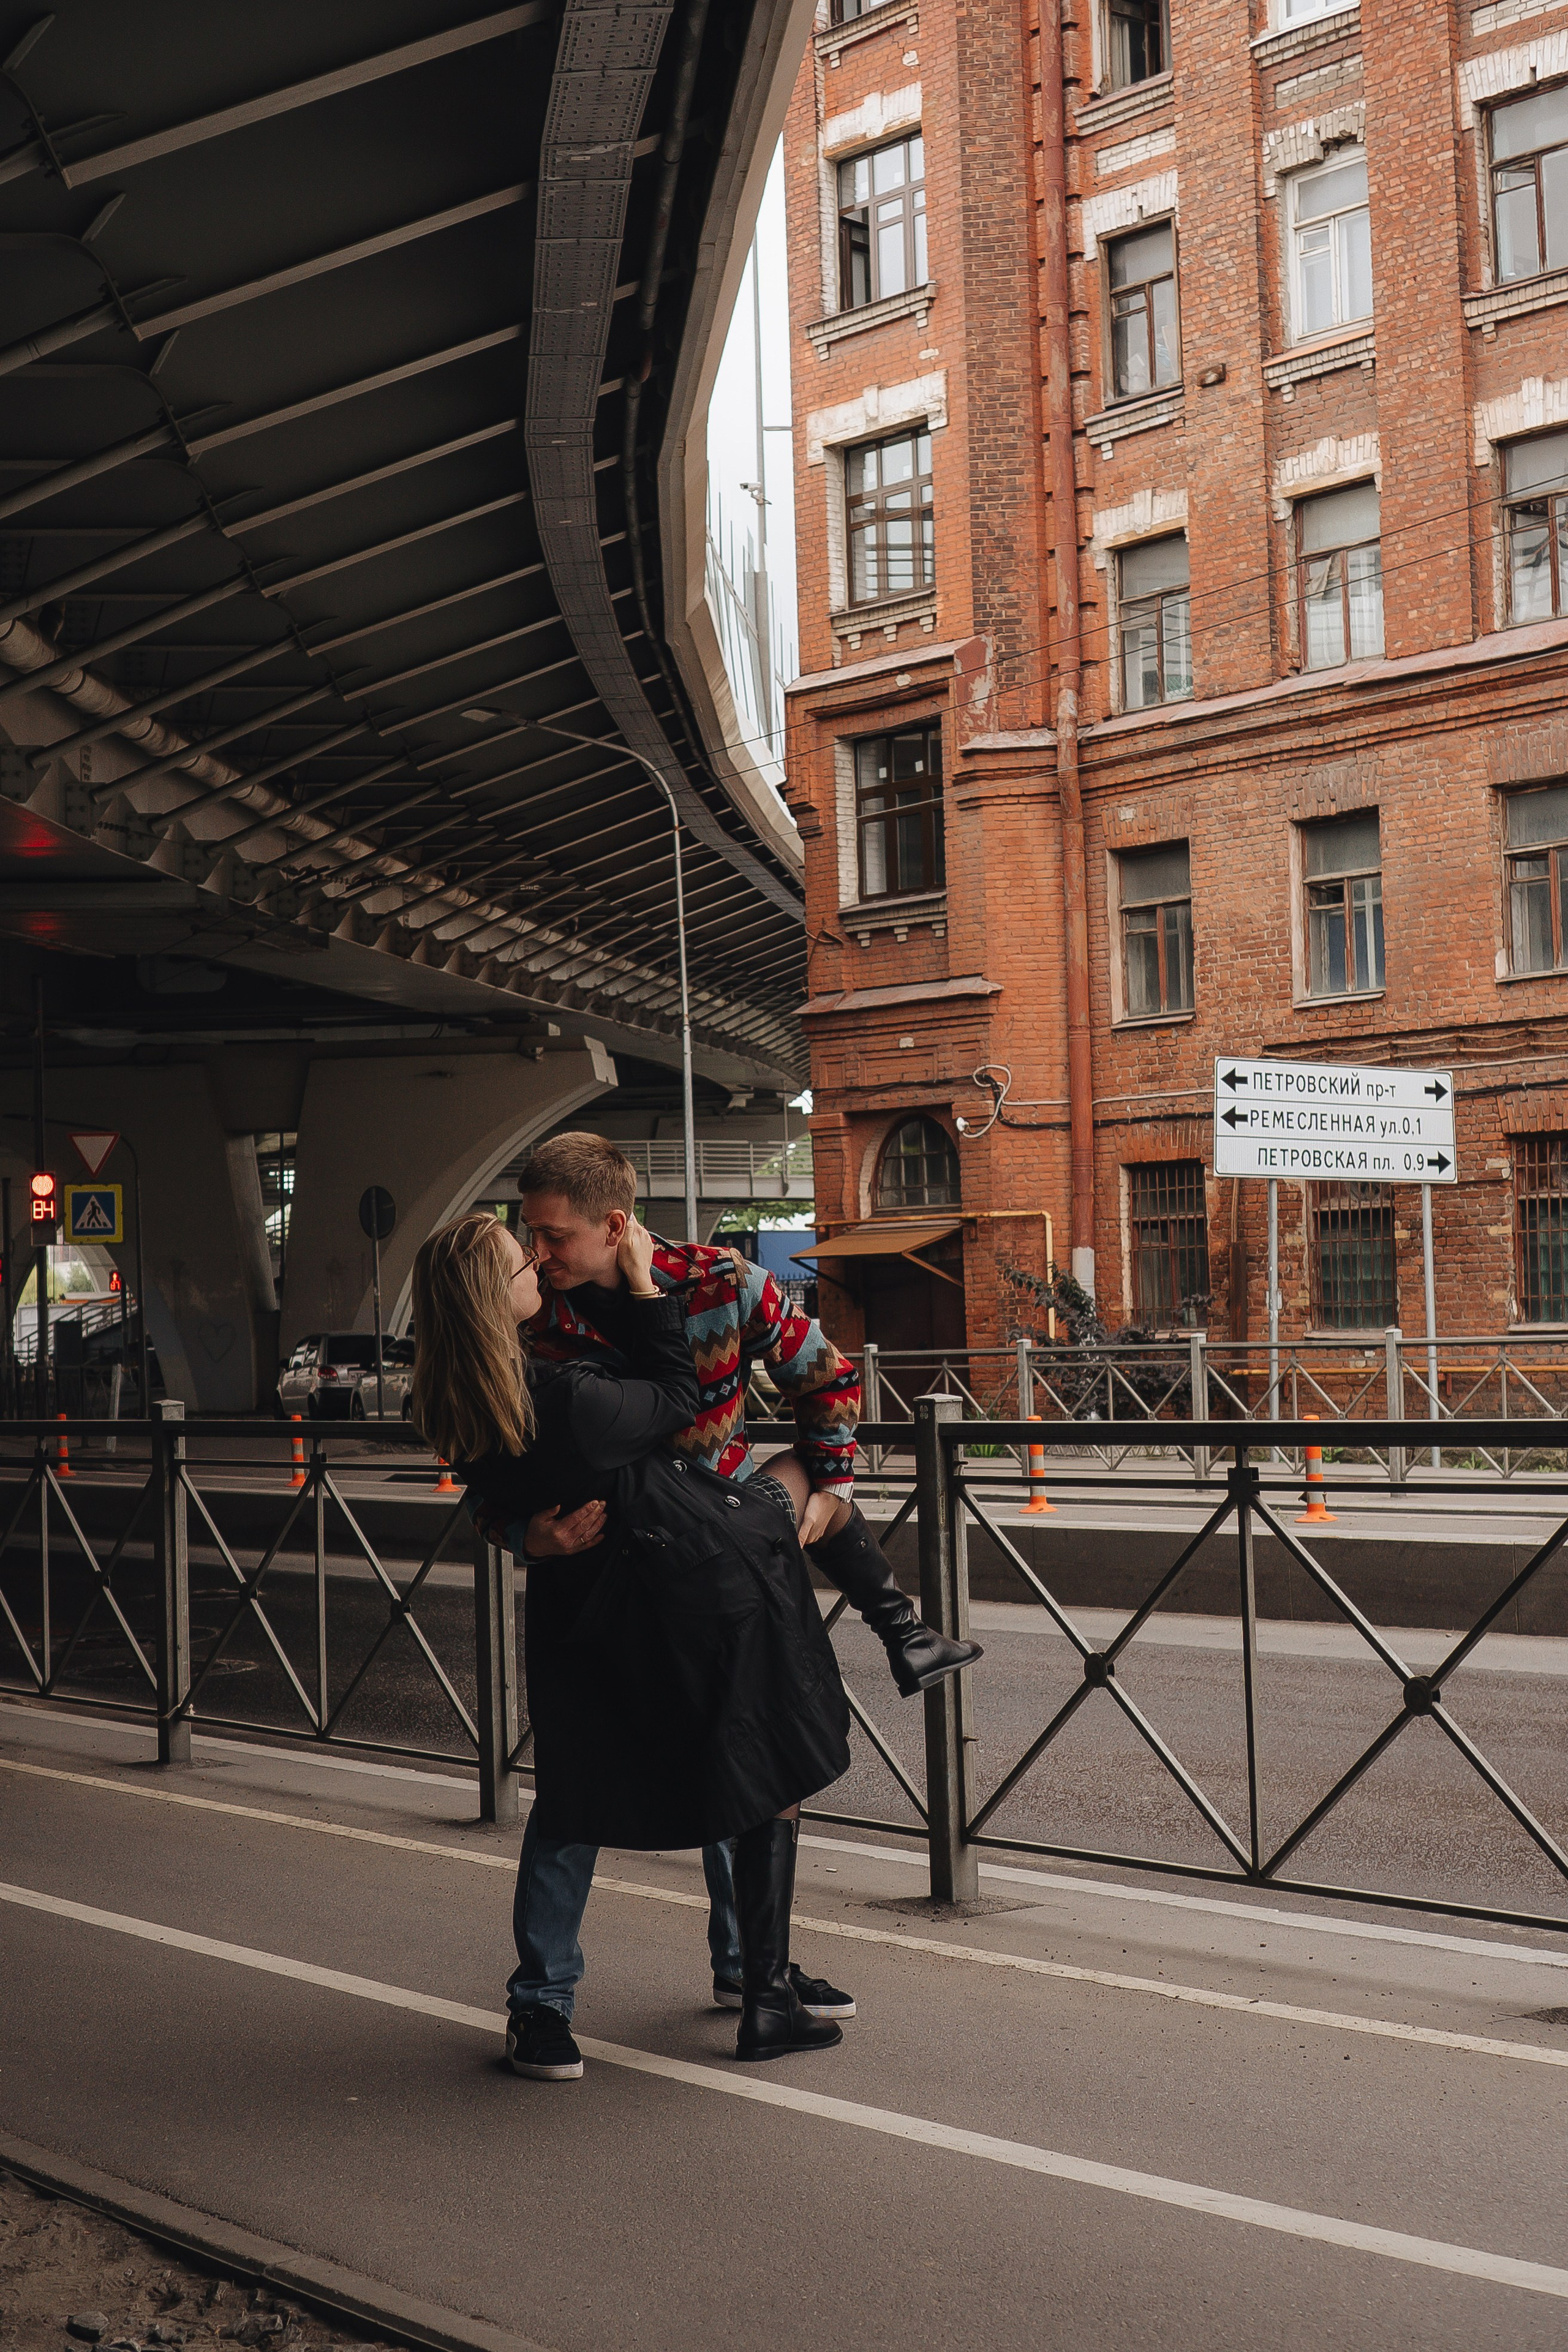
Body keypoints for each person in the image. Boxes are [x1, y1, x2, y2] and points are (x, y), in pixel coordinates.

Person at [488, 1129, 982, 2063]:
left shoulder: (722, 1284)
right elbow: (483, 1470)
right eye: (529, 1233)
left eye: (552, 1235)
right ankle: (541, 2003)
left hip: (710, 1574)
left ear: (615, 1224)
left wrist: (832, 1481)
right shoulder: (525, 1321)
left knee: (742, 1768)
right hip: (593, 1585)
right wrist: (525, 1535)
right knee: (575, 1796)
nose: (537, 1253)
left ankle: (750, 1968)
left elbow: (826, 1376)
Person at [410, 1209, 853, 2076]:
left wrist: (523, 1539)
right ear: (487, 1299)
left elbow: (487, 1489)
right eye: (519, 1258)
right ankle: (579, 1998)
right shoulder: (560, 1382)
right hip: (644, 1594)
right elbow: (674, 1404)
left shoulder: (475, 1383)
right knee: (661, 1783)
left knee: (638, 1783)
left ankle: (726, 1971)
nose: (538, 1258)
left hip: (588, 1600)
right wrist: (651, 1289)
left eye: (544, 1240)